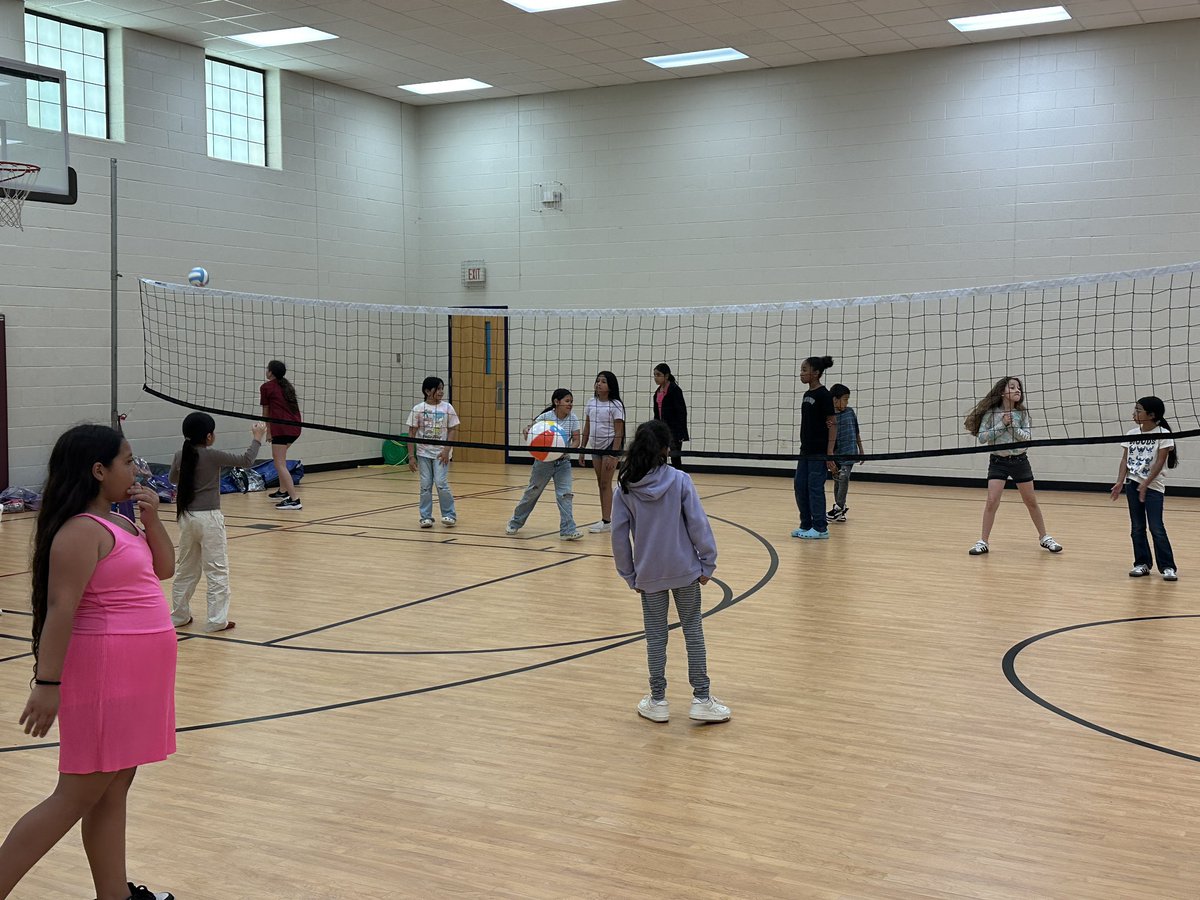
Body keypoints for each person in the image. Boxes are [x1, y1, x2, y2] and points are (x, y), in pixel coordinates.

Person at [0, 425, 177, 900]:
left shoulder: (123, 522)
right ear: (99, 471)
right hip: (106, 673)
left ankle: (113, 896)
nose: (136, 469)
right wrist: (47, 683)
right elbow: (61, 608)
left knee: (113, 789)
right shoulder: (80, 530)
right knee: (75, 795)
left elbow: (165, 570)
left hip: (139, 674)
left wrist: (154, 520)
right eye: (127, 460)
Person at [611, 420, 730, 724]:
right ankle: (702, 698)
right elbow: (698, 524)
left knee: (655, 637)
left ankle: (658, 700)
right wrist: (708, 562)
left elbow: (618, 536)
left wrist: (628, 574)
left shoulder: (624, 487)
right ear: (666, 449)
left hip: (649, 575)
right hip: (685, 571)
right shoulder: (680, 480)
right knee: (693, 630)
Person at [169, 413, 266, 633]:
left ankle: (179, 616)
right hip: (209, 518)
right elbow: (246, 461)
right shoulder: (212, 456)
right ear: (209, 436)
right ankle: (216, 620)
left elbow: (173, 479)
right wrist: (257, 438)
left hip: (186, 518)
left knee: (186, 569)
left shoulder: (179, 454)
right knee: (217, 571)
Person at [963, 376, 1063, 556]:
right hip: (998, 462)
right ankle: (983, 541)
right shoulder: (992, 414)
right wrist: (1002, 424)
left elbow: (1027, 437)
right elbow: (983, 438)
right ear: (1002, 392)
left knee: (1030, 501)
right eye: (1013, 387)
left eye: (1019, 388)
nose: (1018, 390)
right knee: (992, 501)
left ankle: (1044, 537)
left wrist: (1014, 427)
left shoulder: (1022, 414)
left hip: (1019, 461)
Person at [1110, 396, 1178, 580]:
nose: (1134, 413)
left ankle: (1167, 567)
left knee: (1156, 527)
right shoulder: (1132, 433)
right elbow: (1125, 459)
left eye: (1138, 410)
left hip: (1153, 488)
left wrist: (1146, 484)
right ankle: (1142, 563)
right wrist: (1119, 481)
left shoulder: (1163, 434)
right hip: (1133, 485)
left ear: (1151, 414)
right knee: (1137, 527)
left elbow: (1160, 462)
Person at [507, 389, 583, 541]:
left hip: (563, 462)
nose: (570, 404)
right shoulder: (546, 417)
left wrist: (565, 450)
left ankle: (567, 530)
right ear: (557, 402)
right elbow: (530, 429)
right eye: (567, 401)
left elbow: (576, 441)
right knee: (532, 493)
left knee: (565, 495)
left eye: (571, 401)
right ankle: (515, 522)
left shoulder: (573, 418)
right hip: (543, 463)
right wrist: (527, 430)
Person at [792, 355, 837, 540]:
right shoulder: (807, 394)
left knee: (815, 488)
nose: (801, 373)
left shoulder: (824, 395)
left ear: (816, 373)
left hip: (819, 452)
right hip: (806, 450)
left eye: (804, 370)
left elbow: (832, 424)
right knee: (800, 486)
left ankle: (820, 528)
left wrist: (829, 453)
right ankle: (806, 524)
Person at [406, 376, 460, 529]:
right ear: (427, 391)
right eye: (438, 389)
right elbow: (411, 434)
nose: (441, 392)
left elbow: (452, 430)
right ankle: (426, 517)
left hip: (441, 453)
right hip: (423, 453)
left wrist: (446, 450)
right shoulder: (418, 409)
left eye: (443, 388)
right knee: (425, 485)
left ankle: (449, 515)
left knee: (441, 483)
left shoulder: (447, 408)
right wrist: (411, 456)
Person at [579, 371, 625, 533]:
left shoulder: (615, 405)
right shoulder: (591, 402)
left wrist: (614, 454)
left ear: (610, 386)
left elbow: (619, 431)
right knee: (601, 484)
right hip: (595, 447)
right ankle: (606, 519)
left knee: (606, 483)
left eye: (603, 381)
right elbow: (587, 427)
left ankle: (607, 521)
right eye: (597, 381)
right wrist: (582, 449)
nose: (599, 384)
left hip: (610, 447)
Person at [259, 359, 302, 510]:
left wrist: (268, 431)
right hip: (295, 428)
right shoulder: (287, 385)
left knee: (279, 463)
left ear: (270, 372)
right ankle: (283, 492)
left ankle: (295, 500)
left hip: (282, 429)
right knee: (281, 460)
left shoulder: (266, 387)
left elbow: (266, 412)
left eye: (267, 369)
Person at [827, 383, 864, 523]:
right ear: (835, 400)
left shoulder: (850, 412)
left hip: (850, 453)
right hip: (837, 454)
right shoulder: (830, 416)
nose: (847, 402)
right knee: (837, 480)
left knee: (844, 477)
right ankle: (840, 510)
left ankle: (838, 507)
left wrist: (861, 450)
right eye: (845, 399)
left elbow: (857, 432)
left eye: (848, 399)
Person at [651, 363, 689, 469]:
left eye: (658, 375)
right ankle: (662, 480)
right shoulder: (657, 393)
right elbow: (656, 414)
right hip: (661, 430)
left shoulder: (675, 390)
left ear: (666, 376)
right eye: (654, 375)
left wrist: (681, 433)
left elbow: (682, 412)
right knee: (659, 456)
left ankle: (679, 481)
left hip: (674, 431)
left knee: (675, 457)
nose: (655, 378)